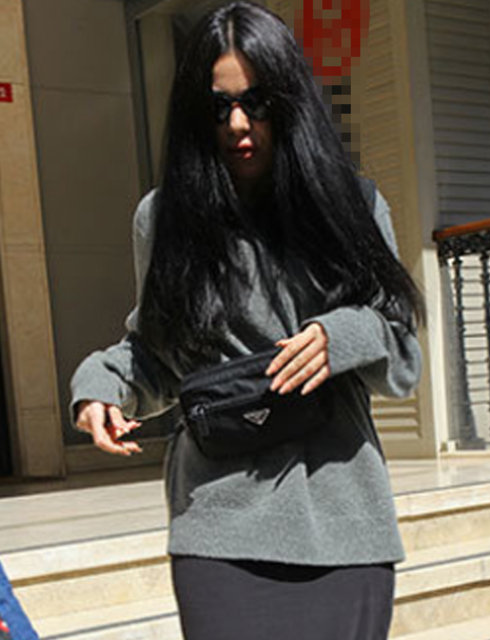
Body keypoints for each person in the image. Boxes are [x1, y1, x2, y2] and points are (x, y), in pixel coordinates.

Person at [70, 2, 425, 638]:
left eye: (256, 102)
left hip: (342, 516)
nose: (238, 123)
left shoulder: (354, 205)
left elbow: (402, 358)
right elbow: (156, 353)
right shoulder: (164, 219)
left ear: (290, 101)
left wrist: (341, 335)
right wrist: (101, 386)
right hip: (220, 519)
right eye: (218, 107)